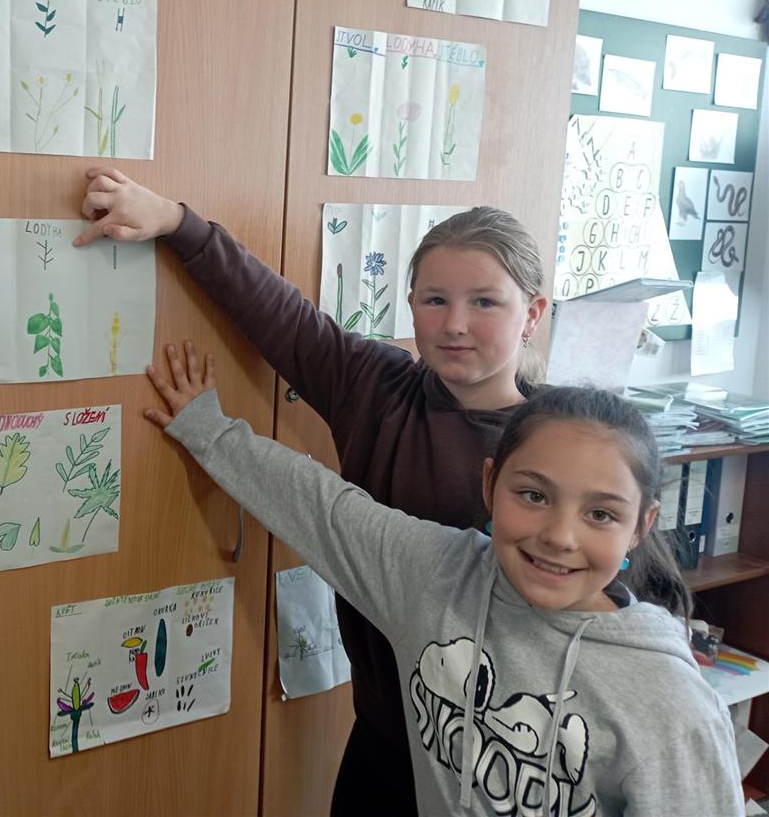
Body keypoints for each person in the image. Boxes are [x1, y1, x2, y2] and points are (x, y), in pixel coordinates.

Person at [77, 168, 548, 813]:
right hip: (381, 736)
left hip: (494, 766)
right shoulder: (378, 386)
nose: (455, 324)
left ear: (532, 314)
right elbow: (282, 315)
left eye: (485, 302)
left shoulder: (555, 446)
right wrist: (176, 223)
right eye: (435, 299)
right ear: (410, 302)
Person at [145, 343, 743, 817]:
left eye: (601, 514)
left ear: (641, 527)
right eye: (533, 495)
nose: (560, 536)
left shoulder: (672, 709)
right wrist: (207, 429)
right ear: (489, 486)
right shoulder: (437, 575)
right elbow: (323, 507)